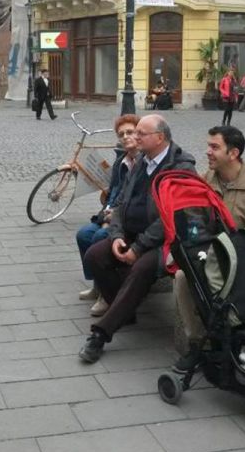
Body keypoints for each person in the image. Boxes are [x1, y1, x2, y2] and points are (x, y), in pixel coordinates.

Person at [79, 114, 196, 363]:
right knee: (95, 255)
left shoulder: (181, 166)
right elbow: (121, 204)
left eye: (141, 134)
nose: (135, 137)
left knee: (140, 268)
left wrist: (139, 247)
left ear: (160, 138)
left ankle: (100, 334)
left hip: (166, 241)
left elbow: (172, 218)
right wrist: (117, 236)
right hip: (131, 233)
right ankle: (126, 311)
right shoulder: (142, 160)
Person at [173, 126, 245, 371]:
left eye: (214, 147)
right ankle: (199, 343)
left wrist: (229, 256)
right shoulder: (206, 179)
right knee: (182, 277)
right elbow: (194, 219)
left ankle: (235, 338)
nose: (207, 152)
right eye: (208, 146)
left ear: (233, 153)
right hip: (210, 253)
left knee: (220, 286)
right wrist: (193, 244)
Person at [77, 114, 140, 316]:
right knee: (84, 234)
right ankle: (98, 284)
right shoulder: (122, 161)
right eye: (121, 134)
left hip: (129, 220)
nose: (125, 137)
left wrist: (112, 219)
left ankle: (107, 293)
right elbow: (112, 193)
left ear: (140, 133)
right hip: (110, 214)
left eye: (130, 132)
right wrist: (104, 215)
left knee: (99, 237)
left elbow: (134, 201)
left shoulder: (143, 164)